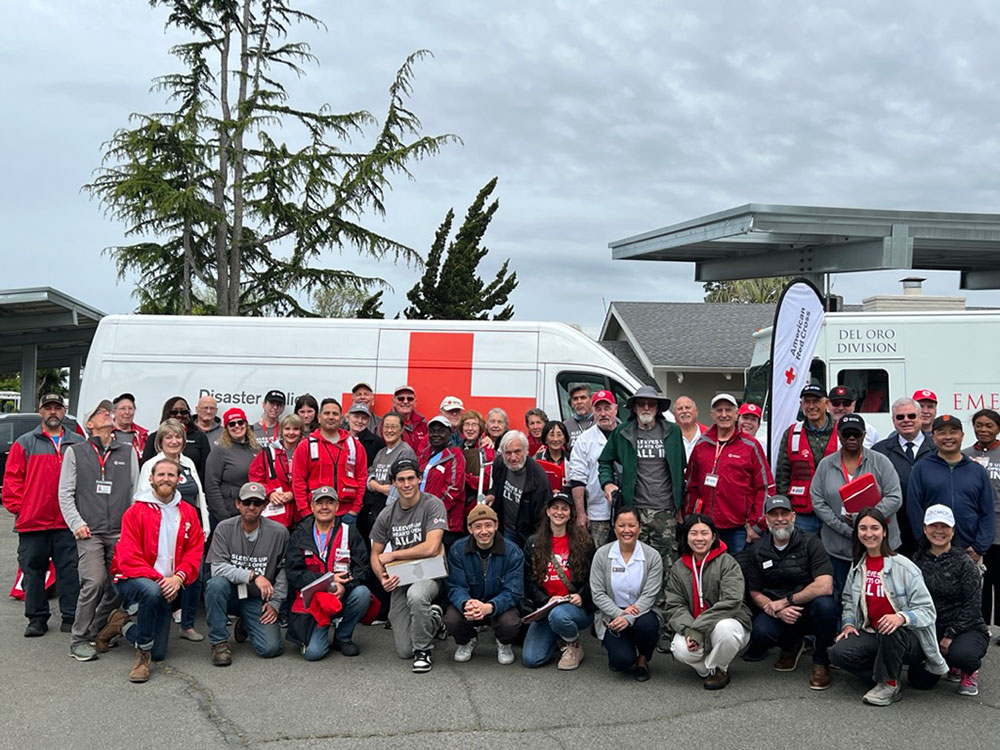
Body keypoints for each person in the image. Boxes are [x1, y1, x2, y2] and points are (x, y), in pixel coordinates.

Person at [828, 508, 946, 706]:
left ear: (884, 532)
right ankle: (886, 675)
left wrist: (901, 617)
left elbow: (927, 611)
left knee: (890, 628)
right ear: (857, 533)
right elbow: (848, 599)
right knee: (837, 653)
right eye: (863, 528)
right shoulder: (858, 565)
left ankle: (888, 684)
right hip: (873, 633)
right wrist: (848, 624)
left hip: (908, 638)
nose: (869, 533)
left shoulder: (904, 567)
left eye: (875, 528)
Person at [104, 458, 204, 683]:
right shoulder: (135, 512)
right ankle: (142, 656)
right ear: (151, 478)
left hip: (169, 584)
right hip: (133, 579)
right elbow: (129, 557)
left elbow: (194, 551)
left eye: (171, 475)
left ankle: (122, 625)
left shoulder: (188, 512)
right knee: (150, 591)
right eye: (161, 475)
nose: (165, 479)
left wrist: (178, 578)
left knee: (161, 653)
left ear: (178, 480)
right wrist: (162, 581)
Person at [598, 384, 684, 644]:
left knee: (667, 569)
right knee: (637, 569)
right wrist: (607, 483)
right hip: (633, 511)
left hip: (665, 511)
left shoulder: (672, 431)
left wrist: (681, 506)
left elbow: (682, 468)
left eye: (651, 404)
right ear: (633, 408)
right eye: (641, 404)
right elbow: (604, 461)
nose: (646, 408)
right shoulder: (623, 432)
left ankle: (665, 627)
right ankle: (636, 621)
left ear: (658, 408)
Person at [58, 400, 139, 661]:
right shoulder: (76, 452)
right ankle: (78, 639)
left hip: (119, 532)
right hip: (89, 532)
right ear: (89, 424)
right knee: (94, 582)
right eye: (100, 412)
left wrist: (130, 529)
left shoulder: (127, 453)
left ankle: (97, 629)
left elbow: (134, 495)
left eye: (109, 411)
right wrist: (77, 524)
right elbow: (65, 494)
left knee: (119, 586)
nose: (108, 414)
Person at [2, 393, 85, 637]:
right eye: (47, 408)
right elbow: (12, 481)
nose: (52, 412)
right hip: (33, 523)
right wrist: (21, 509)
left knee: (70, 571)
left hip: (67, 522)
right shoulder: (25, 443)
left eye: (57, 408)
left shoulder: (78, 443)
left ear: (64, 411)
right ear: (40, 412)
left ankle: (70, 617)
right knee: (33, 572)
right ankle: (36, 619)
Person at [743, 495, 837, 690]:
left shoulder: (812, 543)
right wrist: (775, 610)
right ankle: (790, 644)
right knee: (761, 631)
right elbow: (754, 592)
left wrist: (786, 601)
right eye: (773, 514)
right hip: (777, 610)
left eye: (784, 513)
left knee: (826, 606)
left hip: (807, 607)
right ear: (766, 519)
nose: (779, 519)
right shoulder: (757, 550)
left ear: (793, 516)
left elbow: (825, 585)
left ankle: (821, 661)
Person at [811, 414, 903, 605]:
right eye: (846, 434)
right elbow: (818, 500)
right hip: (839, 547)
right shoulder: (826, 465)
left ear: (864, 435)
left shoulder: (881, 462)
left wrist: (866, 522)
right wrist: (844, 528)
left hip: (880, 546)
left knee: (881, 596)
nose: (851, 438)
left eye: (856, 434)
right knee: (841, 598)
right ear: (839, 436)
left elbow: (895, 497)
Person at [370, 459, 448, 673]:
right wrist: (382, 577)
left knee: (416, 595)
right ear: (393, 483)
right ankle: (433, 619)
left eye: (411, 478)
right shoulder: (387, 514)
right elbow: (375, 555)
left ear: (419, 479)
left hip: (429, 573)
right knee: (404, 650)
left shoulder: (433, 504)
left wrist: (394, 554)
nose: (406, 484)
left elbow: (432, 547)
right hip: (400, 579)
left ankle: (423, 651)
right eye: (401, 480)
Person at [140, 417, 209, 641]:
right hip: (163, 531)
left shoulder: (188, 463)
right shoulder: (151, 466)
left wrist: (204, 527)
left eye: (178, 436)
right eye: (168, 437)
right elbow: (141, 500)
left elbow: (200, 497)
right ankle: (154, 622)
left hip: (191, 529)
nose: (173, 440)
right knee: (161, 576)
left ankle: (187, 625)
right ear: (160, 441)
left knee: (192, 576)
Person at [203, 482, 287, 665]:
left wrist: (275, 602)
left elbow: (283, 572)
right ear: (237, 503)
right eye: (246, 502)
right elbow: (217, 568)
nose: (251, 507)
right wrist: (253, 576)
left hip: (257, 598)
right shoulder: (224, 528)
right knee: (215, 585)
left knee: (270, 649)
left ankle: (247, 623)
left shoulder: (279, 532)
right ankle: (219, 643)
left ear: (265, 505)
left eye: (257, 503)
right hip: (230, 594)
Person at [910, 505, 990, 696]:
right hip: (930, 627)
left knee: (961, 654)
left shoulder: (964, 563)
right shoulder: (917, 559)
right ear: (924, 528)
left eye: (945, 526)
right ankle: (946, 661)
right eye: (933, 525)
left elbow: (972, 605)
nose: (939, 531)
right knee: (918, 681)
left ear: (953, 530)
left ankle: (967, 669)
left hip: (965, 628)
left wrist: (951, 634)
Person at [665, 514, 751, 690]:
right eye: (693, 533)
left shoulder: (727, 562)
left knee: (726, 630)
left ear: (713, 537)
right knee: (679, 649)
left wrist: (698, 628)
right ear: (686, 537)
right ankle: (708, 669)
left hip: (727, 624)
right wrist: (689, 630)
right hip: (694, 628)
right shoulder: (678, 567)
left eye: (704, 533)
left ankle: (721, 669)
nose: (699, 538)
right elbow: (675, 605)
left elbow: (732, 601)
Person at [285, 486, 373, 660]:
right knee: (313, 654)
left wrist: (345, 587)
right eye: (320, 503)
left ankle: (343, 637)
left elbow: (362, 569)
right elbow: (293, 573)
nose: (324, 507)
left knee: (362, 594)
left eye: (329, 502)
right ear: (311, 507)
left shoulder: (350, 531)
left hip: (341, 595)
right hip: (313, 601)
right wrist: (327, 580)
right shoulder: (299, 534)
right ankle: (317, 632)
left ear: (337, 506)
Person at [684, 393, 771, 554]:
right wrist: (690, 519)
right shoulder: (702, 445)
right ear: (712, 414)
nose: (724, 415)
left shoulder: (751, 446)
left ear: (736, 414)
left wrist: (756, 525)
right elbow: (691, 485)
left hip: (739, 529)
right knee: (708, 575)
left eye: (728, 410)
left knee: (737, 574)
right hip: (706, 528)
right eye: (719, 410)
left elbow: (764, 487)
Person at [521, 492, 596, 670]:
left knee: (559, 615)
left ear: (571, 513)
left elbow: (594, 578)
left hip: (574, 608)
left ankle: (573, 645)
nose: (559, 512)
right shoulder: (533, 542)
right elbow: (528, 582)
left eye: (564, 509)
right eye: (555, 508)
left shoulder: (584, 542)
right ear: (547, 511)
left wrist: (581, 596)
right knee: (531, 659)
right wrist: (545, 601)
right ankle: (559, 637)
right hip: (547, 607)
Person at [907, 414, 995, 565]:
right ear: (933, 437)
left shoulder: (977, 470)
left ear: (962, 435)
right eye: (941, 432)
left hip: (970, 552)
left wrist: (979, 548)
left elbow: (987, 512)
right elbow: (914, 509)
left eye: (953, 431)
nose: (948, 437)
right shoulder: (921, 468)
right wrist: (925, 544)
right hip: (933, 552)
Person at [444, 504, 524, 665]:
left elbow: (513, 591)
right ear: (470, 528)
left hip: (499, 605)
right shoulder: (457, 549)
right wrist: (467, 603)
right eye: (478, 526)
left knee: (511, 622)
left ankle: (504, 643)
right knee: (451, 619)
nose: (484, 531)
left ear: (496, 525)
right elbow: (455, 586)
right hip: (471, 604)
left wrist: (490, 607)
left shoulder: (513, 552)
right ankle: (468, 640)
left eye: (488, 525)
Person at [590, 507, 662, 681]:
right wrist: (620, 615)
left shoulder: (652, 556)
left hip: (642, 612)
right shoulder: (602, 554)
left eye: (631, 525)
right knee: (621, 662)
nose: (626, 530)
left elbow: (650, 595)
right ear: (614, 528)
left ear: (639, 528)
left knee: (648, 624)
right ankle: (624, 648)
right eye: (621, 525)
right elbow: (598, 593)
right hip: (612, 616)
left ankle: (643, 658)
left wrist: (628, 617)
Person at [872, 397, 935, 556]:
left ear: (921, 417)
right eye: (900, 417)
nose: (906, 420)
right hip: (894, 528)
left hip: (932, 527)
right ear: (893, 420)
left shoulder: (937, 449)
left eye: (911, 416)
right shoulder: (879, 451)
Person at [291, 398, 367, 526]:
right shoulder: (306, 446)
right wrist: (306, 512)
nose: (331, 417)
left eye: (335, 414)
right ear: (319, 418)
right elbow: (298, 481)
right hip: (316, 514)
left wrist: (355, 510)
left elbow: (361, 478)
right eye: (327, 413)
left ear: (341, 418)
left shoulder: (355, 445)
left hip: (347, 514)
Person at [774, 385, 836, 535]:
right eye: (806, 402)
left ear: (826, 403)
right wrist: (784, 509)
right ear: (801, 405)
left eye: (816, 401)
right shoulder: (791, 433)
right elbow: (783, 473)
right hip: (802, 513)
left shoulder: (841, 431)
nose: (811, 406)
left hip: (833, 511)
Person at [963, 408, 1000, 636]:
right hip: (972, 528)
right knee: (977, 582)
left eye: (989, 425)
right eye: (979, 425)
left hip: (999, 528)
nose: (984, 429)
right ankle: (980, 624)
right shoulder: (965, 454)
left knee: (998, 578)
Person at [568, 390, 620, 549]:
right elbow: (577, 479)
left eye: (607, 408)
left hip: (627, 512)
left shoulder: (627, 434)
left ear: (615, 409)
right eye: (598, 409)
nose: (603, 413)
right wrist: (581, 513)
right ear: (593, 411)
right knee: (599, 557)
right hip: (598, 512)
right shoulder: (584, 439)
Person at [484, 431, 549, 548]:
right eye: (508, 453)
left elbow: (541, 518)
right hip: (503, 527)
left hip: (527, 533)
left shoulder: (538, 479)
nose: (513, 457)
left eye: (517, 452)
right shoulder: (499, 463)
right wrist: (492, 494)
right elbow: (496, 485)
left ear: (526, 451)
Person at [362, 412, 417, 540]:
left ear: (402, 429)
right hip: (376, 508)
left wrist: (375, 485)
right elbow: (370, 473)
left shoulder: (405, 451)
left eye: (393, 427)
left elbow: (402, 485)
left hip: (392, 511)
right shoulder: (382, 452)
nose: (389, 430)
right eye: (386, 427)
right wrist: (378, 486)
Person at [205, 408, 261, 527]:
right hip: (228, 514)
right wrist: (223, 516)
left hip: (253, 513)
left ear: (246, 424)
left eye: (240, 422)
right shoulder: (219, 451)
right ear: (226, 429)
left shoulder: (257, 449)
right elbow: (211, 485)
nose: (237, 426)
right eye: (232, 424)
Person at [247, 413, 302, 530]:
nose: (291, 433)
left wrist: (293, 493)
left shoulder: (305, 452)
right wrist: (270, 493)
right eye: (287, 429)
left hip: (300, 513)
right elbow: (255, 478)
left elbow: (312, 479)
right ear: (282, 431)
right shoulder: (268, 452)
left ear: (301, 431)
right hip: (275, 515)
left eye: (295, 429)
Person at [419, 416, 467, 548]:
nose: (436, 435)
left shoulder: (455, 455)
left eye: (441, 431)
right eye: (433, 431)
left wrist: (433, 511)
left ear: (450, 433)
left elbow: (454, 489)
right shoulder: (424, 454)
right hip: (422, 519)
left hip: (446, 522)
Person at [141, 396, 211, 484]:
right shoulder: (155, 436)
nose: (179, 415)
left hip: (190, 490)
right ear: (167, 413)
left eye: (183, 412)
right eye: (174, 412)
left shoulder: (200, 436)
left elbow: (205, 470)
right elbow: (146, 466)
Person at [458, 410, 494, 507]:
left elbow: (486, 482)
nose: (470, 428)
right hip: (459, 501)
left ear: (480, 428)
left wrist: (463, 477)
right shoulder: (457, 447)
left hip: (476, 501)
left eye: (474, 425)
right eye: (467, 424)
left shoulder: (486, 447)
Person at [388, 384, 428, 456]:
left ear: (415, 402)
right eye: (401, 398)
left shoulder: (423, 424)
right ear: (393, 401)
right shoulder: (386, 424)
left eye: (410, 399)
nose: (405, 401)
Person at [346, 403, 385, 469]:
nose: (360, 421)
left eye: (364, 418)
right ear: (347, 418)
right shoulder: (340, 439)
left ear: (368, 421)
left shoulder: (377, 443)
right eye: (356, 416)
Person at [110, 392, 148, 457]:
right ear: (114, 411)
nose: (127, 412)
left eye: (130, 408)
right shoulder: (105, 432)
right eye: (123, 408)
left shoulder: (142, 435)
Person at [673, 396, 706, 461]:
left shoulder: (709, 434)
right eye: (680, 409)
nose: (684, 411)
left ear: (696, 412)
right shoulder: (667, 435)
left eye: (687, 408)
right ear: (674, 414)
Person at [564, 383, 594, 448]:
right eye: (575, 399)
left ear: (591, 400)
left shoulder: (600, 421)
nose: (579, 402)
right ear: (571, 403)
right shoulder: (566, 425)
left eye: (583, 398)